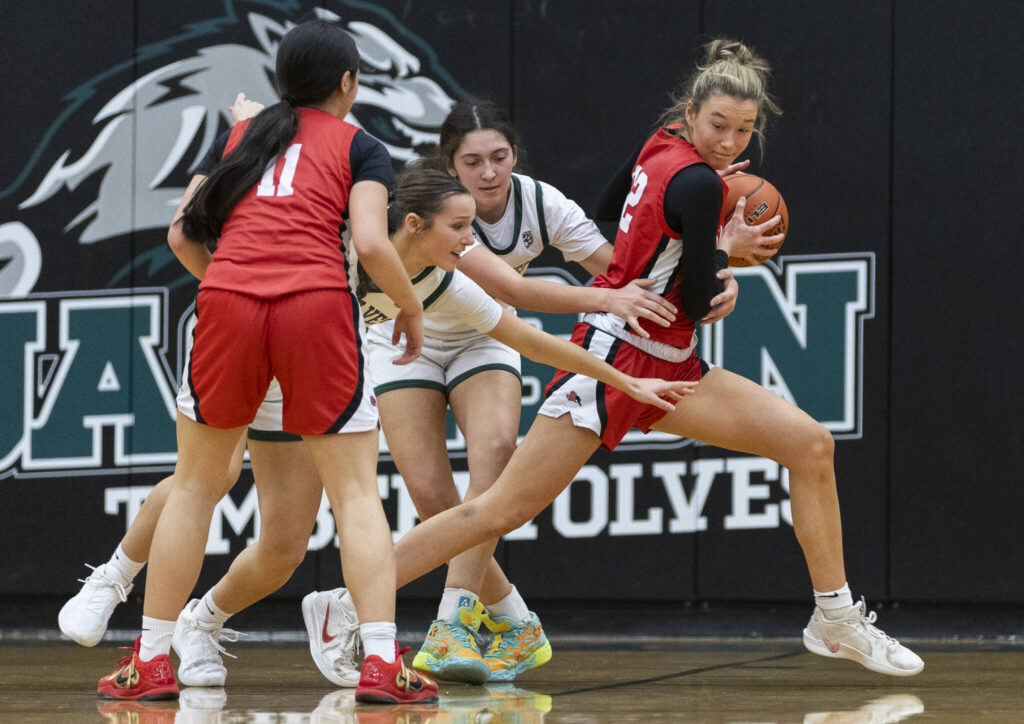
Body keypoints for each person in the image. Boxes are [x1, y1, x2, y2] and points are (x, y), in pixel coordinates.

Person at [337, 39, 925, 679]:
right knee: (498, 508)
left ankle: (834, 618)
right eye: (718, 125)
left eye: (744, 130)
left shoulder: (662, 143)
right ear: (693, 113)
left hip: (671, 364)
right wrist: (723, 252)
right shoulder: (700, 183)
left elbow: (609, 211)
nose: (729, 141)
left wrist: (665, 251)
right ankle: (345, 604)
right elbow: (698, 301)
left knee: (810, 444)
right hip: (615, 362)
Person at [307, 99, 738, 686]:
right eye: (472, 161)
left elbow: (616, 274)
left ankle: (452, 621)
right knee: (438, 501)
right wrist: (610, 299)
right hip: (402, 337)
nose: (488, 173)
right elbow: (521, 288)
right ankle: (512, 617)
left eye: (499, 157)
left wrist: (711, 259)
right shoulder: (413, 226)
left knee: (495, 461)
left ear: (514, 155)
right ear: (447, 171)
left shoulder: (533, 207)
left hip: (482, 336)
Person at [96, 19, 437, 704]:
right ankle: (379, 662)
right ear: (349, 82)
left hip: (227, 300)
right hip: (314, 305)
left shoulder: (245, 135)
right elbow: (371, 243)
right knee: (355, 496)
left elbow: (186, 234)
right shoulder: (359, 144)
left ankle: (149, 660)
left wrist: (228, 282)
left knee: (194, 487)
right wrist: (409, 305)